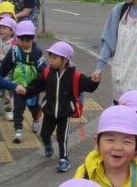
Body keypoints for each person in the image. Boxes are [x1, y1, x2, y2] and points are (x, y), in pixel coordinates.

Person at [23, 41, 99, 174]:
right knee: (44, 133)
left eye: (54, 57)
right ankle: (48, 146)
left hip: (65, 113)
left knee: (62, 137)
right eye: (50, 56)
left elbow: (88, 86)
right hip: (49, 111)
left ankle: (64, 159)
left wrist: (94, 80)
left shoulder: (75, 76)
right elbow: (36, 86)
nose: (50, 60)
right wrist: (25, 91)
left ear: (65, 60)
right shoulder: (47, 73)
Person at [0, 20, 45, 143]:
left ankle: (36, 120)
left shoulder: (37, 52)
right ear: (16, 37)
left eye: (28, 40)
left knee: (34, 107)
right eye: (21, 39)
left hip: (33, 87)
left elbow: (43, 70)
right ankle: (18, 129)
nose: (24, 43)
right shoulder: (14, 51)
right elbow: (5, 67)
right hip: (17, 86)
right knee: (18, 108)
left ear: (32, 39)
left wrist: (45, 84)